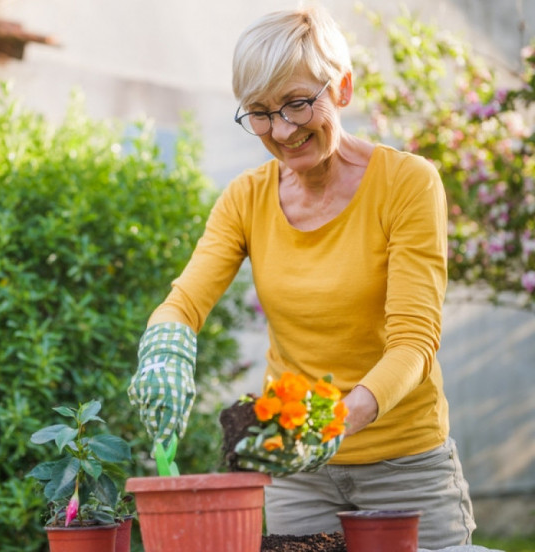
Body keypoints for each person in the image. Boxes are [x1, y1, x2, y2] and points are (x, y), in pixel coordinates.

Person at [127, 4, 476, 549]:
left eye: (297, 103)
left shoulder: (407, 184)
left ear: (342, 89)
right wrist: (163, 349)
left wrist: (334, 423)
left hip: (404, 467)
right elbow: (185, 301)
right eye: (260, 112)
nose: (283, 130)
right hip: (298, 475)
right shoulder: (246, 198)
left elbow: (414, 343)